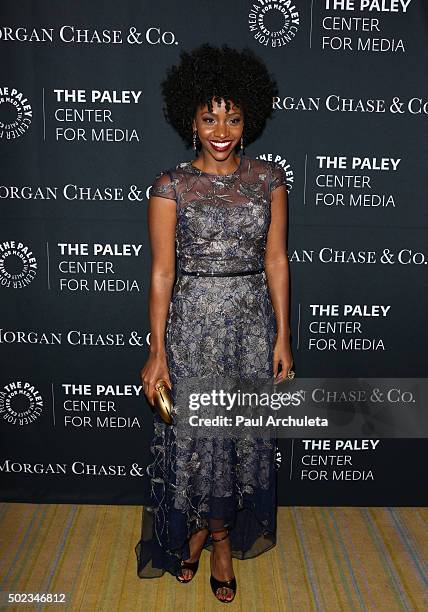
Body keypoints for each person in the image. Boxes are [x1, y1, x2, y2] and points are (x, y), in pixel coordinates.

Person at [135, 43, 293, 603]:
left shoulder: (270, 179)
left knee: (238, 436)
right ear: (191, 122)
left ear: (249, 118)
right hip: (192, 328)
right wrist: (157, 350)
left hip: (251, 326)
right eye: (209, 117)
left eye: (232, 116)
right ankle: (199, 530)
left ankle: (218, 540)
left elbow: (276, 259)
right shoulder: (169, 186)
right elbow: (160, 274)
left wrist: (283, 334)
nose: (221, 129)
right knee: (196, 437)